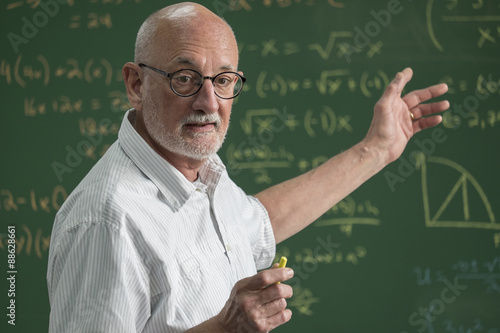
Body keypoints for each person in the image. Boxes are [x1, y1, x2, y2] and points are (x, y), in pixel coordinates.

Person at [46, 2, 450, 332]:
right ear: (136, 84)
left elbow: (256, 224)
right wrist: (222, 329)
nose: (209, 102)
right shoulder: (106, 221)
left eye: (223, 80)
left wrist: (376, 149)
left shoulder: (198, 167)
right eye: (185, 78)